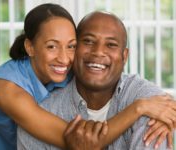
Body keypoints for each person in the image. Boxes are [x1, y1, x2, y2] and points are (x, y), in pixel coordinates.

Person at [17, 11, 176, 150]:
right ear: (74, 48)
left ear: (124, 56)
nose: (98, 52)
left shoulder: (151, 103)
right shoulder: (41, 115)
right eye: (88, 41)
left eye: (111, 45)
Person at [0, 3, 77, 150]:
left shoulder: (65, 69)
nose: (64, 59)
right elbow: (72, 139)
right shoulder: (7, 88)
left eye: (71, 46)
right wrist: (117, 122)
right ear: (30, 47)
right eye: (52, 46)